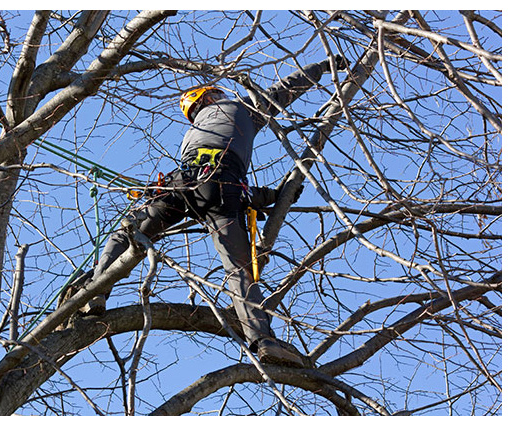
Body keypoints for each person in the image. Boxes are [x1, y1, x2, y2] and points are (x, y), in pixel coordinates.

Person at [63, 54, 349, 367]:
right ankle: (263, 340)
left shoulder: (191, 136)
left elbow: (209, 178)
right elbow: (288, 88)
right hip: (223, 190)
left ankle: (98, 290)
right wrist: (322, 67)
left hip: (181, 185)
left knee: (128, 231)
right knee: (239, 271)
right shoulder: (242, 108)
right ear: (210, 96)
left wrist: (270, 195)